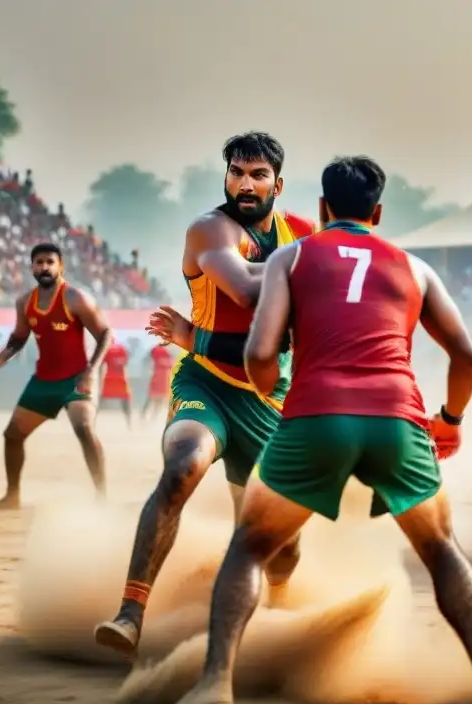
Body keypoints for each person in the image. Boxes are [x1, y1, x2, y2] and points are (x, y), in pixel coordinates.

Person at [146, 155, 472, 704]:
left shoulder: (291, 256)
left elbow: (258, 353)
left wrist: (273, 394)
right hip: (398, 418)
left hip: (317, 415)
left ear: (322, 209)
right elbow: (467, 356)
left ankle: (213, 685)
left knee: (249, 546)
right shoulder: (415, 268)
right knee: (442, 548)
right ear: (377, 211)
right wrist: (450, 418)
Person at [94, 132, 316, 657]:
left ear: (277, 184)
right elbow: (243, 288)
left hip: (269, 401)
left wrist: (195, 333)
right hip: (207, 384)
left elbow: (298, 329)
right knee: (182, 468)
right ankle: (130, 614)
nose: (245, 183)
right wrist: (308, 271)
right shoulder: (210, 229)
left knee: (281, 550)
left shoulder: (302, 232)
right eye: (237, 172)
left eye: (258, 174)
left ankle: (279, 611)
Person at [0, 243, 112, 509]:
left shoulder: (76, 298)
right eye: (39, 263)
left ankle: (102, 497)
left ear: (60, 266)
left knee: (84, 428)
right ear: (32, 268)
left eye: (50, 262)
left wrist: (91, 370)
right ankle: (12, 495)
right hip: (44, 380)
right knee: (12, 436)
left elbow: (105, 334)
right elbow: (18, 339)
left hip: (77, 378)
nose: (45, 267)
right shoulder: (25, 303)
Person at [99, 339, 132, 429]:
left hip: (109, 378)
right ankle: (129, 424)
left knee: (100, 401)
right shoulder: (122, 349)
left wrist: (100, 383)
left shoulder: (107, 349)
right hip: (120, 379)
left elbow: (102, 366)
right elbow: (126, 364)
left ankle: (93, 423)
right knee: (126, 401)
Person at [142, 343, 174, 421]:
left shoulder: (173, 348)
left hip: (166, 376)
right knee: (152, 396)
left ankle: (154, 417)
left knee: (162, 398)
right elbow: (147, 359)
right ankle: (143, 415)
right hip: (157, 374)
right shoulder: (156, 349)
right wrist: (149, 369)